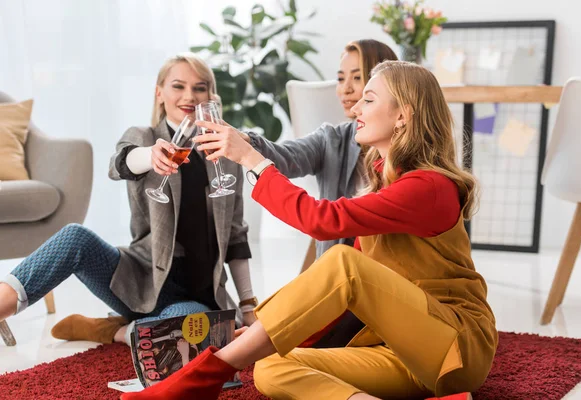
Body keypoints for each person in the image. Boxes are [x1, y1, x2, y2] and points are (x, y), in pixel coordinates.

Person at [121, 60, 498, 400]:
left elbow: (322, 222)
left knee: (344, 261)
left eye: (368, 99)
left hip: (453, 347)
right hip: (402, 354)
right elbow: (342, 295)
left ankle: (203, 377)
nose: (355, 108)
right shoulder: (386, 184)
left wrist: (251, 158)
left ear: (403, 115)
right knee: (272, 367)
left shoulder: (429, 187)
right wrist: (265, 333)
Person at [0, 54, 257, 347]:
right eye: (178, 86)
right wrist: (151, 155)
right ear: (159, 92)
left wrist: (248, 306)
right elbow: (119, 163)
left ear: (211, 96)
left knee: (193, 331)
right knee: (75, 237)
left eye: (199, 88)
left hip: (194, 295)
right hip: (138, 280)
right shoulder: (144, 137)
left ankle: (109, 330)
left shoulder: (227, 154)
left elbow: (236, 234)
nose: (189, 96)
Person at [243, 39, 398, 259]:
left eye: (357, 77)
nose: (346, 89)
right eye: (340, 79)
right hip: (338, 267)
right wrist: (246, 143)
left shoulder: (408, 157)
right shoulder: (332, 139)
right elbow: (285, 156)